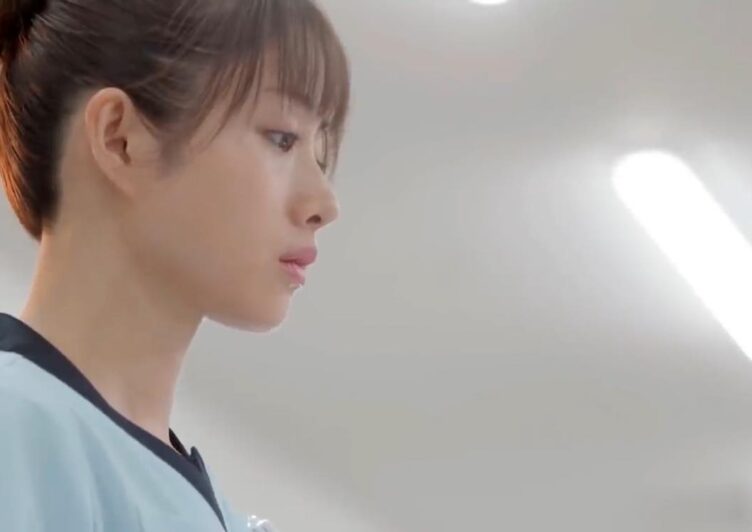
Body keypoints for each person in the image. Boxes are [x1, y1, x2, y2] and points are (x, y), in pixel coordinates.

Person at [0, 0, 350, 530]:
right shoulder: (18, 431)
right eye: (282, 139)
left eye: (318, 154)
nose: (324, 203)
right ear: (120, 138)